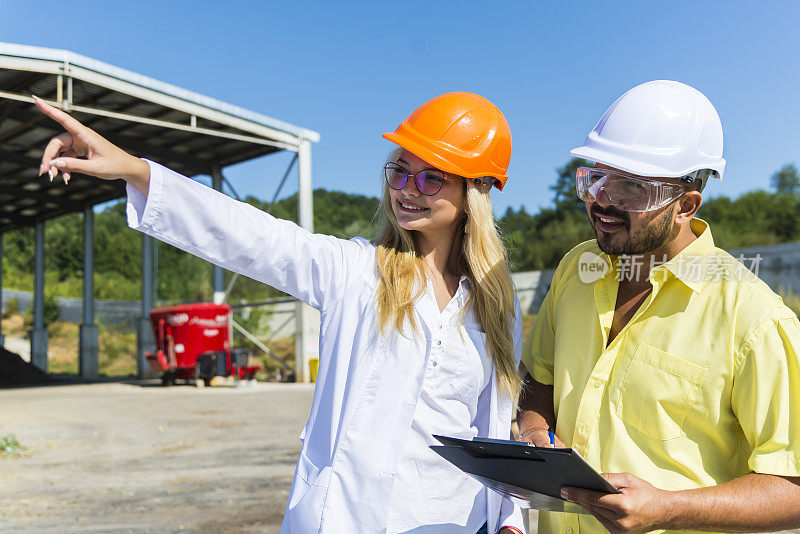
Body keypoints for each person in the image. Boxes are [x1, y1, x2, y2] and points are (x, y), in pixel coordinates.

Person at [35, 92, 526, 534]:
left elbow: (493, 431)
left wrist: (510, 523)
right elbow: (255, 237)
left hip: (453, 523)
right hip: (350, 520)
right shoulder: (356, 272)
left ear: (474, 193)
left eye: (430, 177)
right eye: (399, 170)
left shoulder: (496, 307)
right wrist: (136, 171)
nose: (407, 187)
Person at [517, 80, 800, 534]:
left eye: (631, 188)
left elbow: (793, 486)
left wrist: (670, 508)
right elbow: (539, 381)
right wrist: (533, 433)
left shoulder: (755, 320)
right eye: (596, 179)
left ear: (686, 205)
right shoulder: (577, 268)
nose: (602, 200)